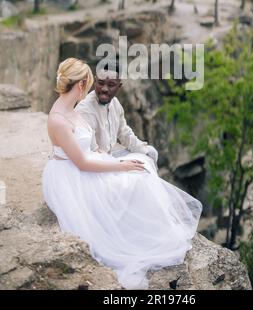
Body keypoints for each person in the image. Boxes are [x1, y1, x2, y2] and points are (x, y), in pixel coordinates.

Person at [43, 57, 202, 290]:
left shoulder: (73, 109)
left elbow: (100, 143)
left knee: (142, 165)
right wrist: (120, 166)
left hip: (87, 163)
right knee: (135, 177)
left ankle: (146, 226)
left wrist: (131, 155)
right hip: (72, 175)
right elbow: (82, 162)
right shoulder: (62, 118)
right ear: (80, 85)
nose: (94, 90)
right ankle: (141, 233)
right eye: (91, 84)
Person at [75, 60, 158, 165]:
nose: (104, 89)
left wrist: (144, 151)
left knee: (150, 153)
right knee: (139, 169)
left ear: (119, 86)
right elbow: (92, 152)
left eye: (111, 84)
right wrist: (122, 165)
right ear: (95, 81)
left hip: (109, 156)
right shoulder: (85, 110)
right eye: (100, 83)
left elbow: (124, 133)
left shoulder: (115, 104)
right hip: (95, 164)